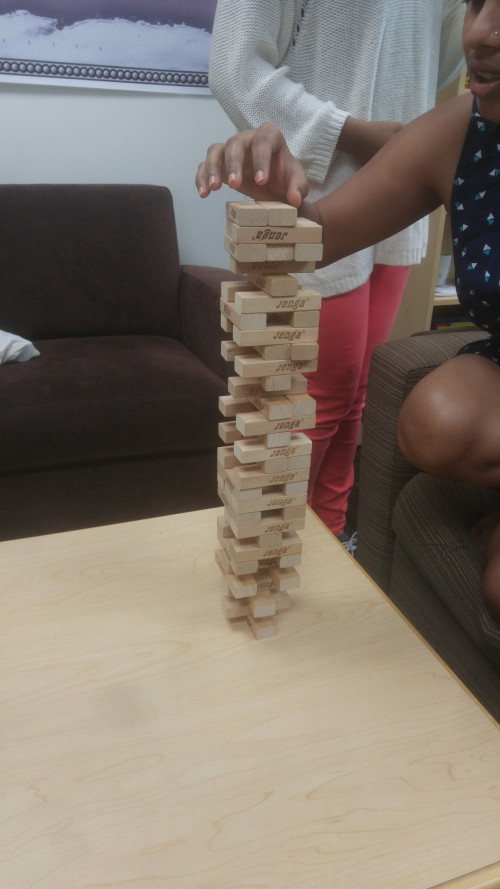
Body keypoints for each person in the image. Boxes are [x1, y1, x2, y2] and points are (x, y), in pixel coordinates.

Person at [197, 0, 500, 622]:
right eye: (475, 3)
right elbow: (317, 234)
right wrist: (273, 189)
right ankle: (317, 545)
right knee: (401, 414)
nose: (480, 33)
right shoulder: (459, 133)